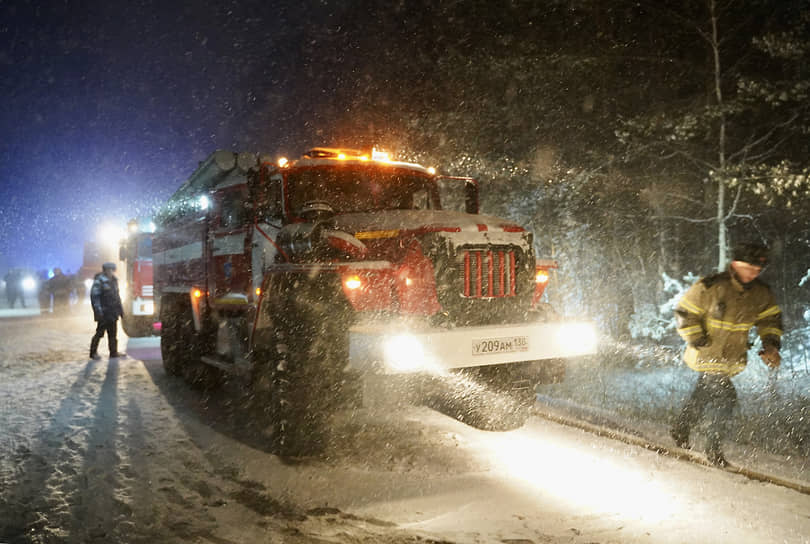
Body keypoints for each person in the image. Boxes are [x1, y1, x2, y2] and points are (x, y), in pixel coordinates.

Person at [671, 241, 783, 466]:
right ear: (735, 264)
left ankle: (680, 428)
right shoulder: (711, 287)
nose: (753, 273)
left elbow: (770, 319)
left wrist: (770, 344)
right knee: (726, 398)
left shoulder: (761, 294)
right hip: (707, 354)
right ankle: (713, 450)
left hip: (731, 359)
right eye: (749, 268)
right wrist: (697, 338)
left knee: (703, 394)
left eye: (758, 270)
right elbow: (684, 313)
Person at [90, 262, 126, 359]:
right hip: (104, 312)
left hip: (113, 312)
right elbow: (95, 297)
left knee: (113, 333)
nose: (110, 272)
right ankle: (93, 353)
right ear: (104, 270)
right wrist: (98, 311)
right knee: (100, 333)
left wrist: (120, 310)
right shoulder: (99, 281)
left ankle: (113, 353)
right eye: (108, 270)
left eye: (112, 270)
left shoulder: (114, 281)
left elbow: (117, 297)